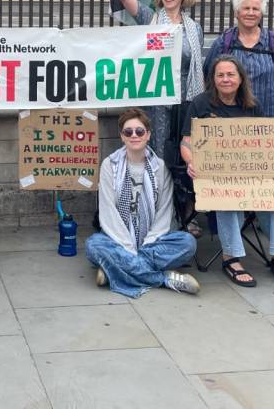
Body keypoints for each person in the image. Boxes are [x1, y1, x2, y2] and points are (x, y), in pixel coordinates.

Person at [105, 0, 205, 231]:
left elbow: (199, 66)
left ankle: (186, 216)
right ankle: (158, 215)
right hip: (158, 104)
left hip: (186, 102)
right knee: (158, 157)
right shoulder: (150, 19)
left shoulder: (193, 28)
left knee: (184, 158)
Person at [179, 56, 274, 288]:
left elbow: (267, 145)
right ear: (212, 79)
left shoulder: (252, 106)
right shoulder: (200, 104)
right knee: (227, 195)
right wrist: (191, 162)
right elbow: (186, 142)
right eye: (220, 75)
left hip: (250, 173)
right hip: (213, 174)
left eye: (230, 74)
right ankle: (231, 257)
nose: (226, 79)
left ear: (240, 78)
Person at [84, 108, 201, 299]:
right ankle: (163, 278)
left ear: (148, 135)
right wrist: (127, 246)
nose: (134, 136)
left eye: (139, 131)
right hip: (117, 239)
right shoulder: (109, 165)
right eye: (128, 132)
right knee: (94, 245)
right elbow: (108, 212)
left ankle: (114, 269)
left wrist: (146, 245)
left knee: (187, 243)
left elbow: (164, 213)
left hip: (152, 242)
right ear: (122, 136)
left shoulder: (160, 167)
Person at [204, 0, 274, 119]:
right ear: (236, 12)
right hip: (232, 122)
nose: (251, 13)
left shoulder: (273, 43)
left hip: (269, 120)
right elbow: (208, 76)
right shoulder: (224, 42)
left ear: (261, 13)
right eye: (246, 8)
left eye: (255, 9)